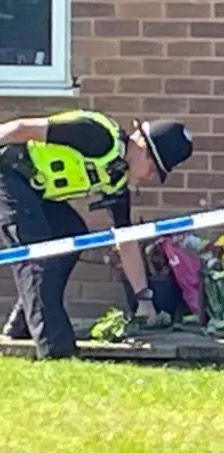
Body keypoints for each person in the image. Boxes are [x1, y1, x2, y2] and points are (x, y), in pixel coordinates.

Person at [0, 110, 193, 358]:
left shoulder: (116, 179)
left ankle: (23, 323)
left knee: (70, 235)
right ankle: (57, 351)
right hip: (7, 173)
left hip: (35, 190)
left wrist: (144, 300)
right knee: (37, 255)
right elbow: (21, 128)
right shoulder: (95, 134)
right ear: (143, 146)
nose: (150, 177)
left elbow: (125, 239)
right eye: (154, 169)